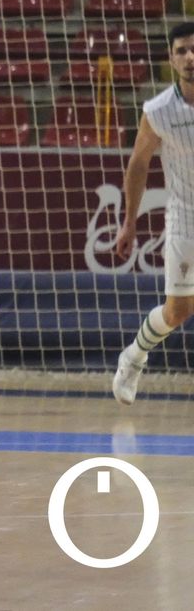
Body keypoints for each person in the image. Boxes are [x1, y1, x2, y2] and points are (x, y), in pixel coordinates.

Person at [112, 22, 194, 405]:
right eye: (182, 50)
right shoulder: (158, 111)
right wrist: (129, 222)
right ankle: (133, 357)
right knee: (178, 311)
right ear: (172, 59)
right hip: (185, 216)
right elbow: (138, 164)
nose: (190, 57)